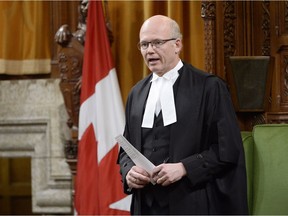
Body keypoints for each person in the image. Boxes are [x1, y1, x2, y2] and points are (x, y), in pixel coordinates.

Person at [118, 15, 248, 215]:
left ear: (177, 44)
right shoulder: (136, 93)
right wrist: (129, 172)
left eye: (157, 43)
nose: (149, 50)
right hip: (146, 205)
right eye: (144, 45)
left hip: (191, 202)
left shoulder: (209, 87)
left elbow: (227, 149)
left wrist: (184, 168)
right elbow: (127, 149)